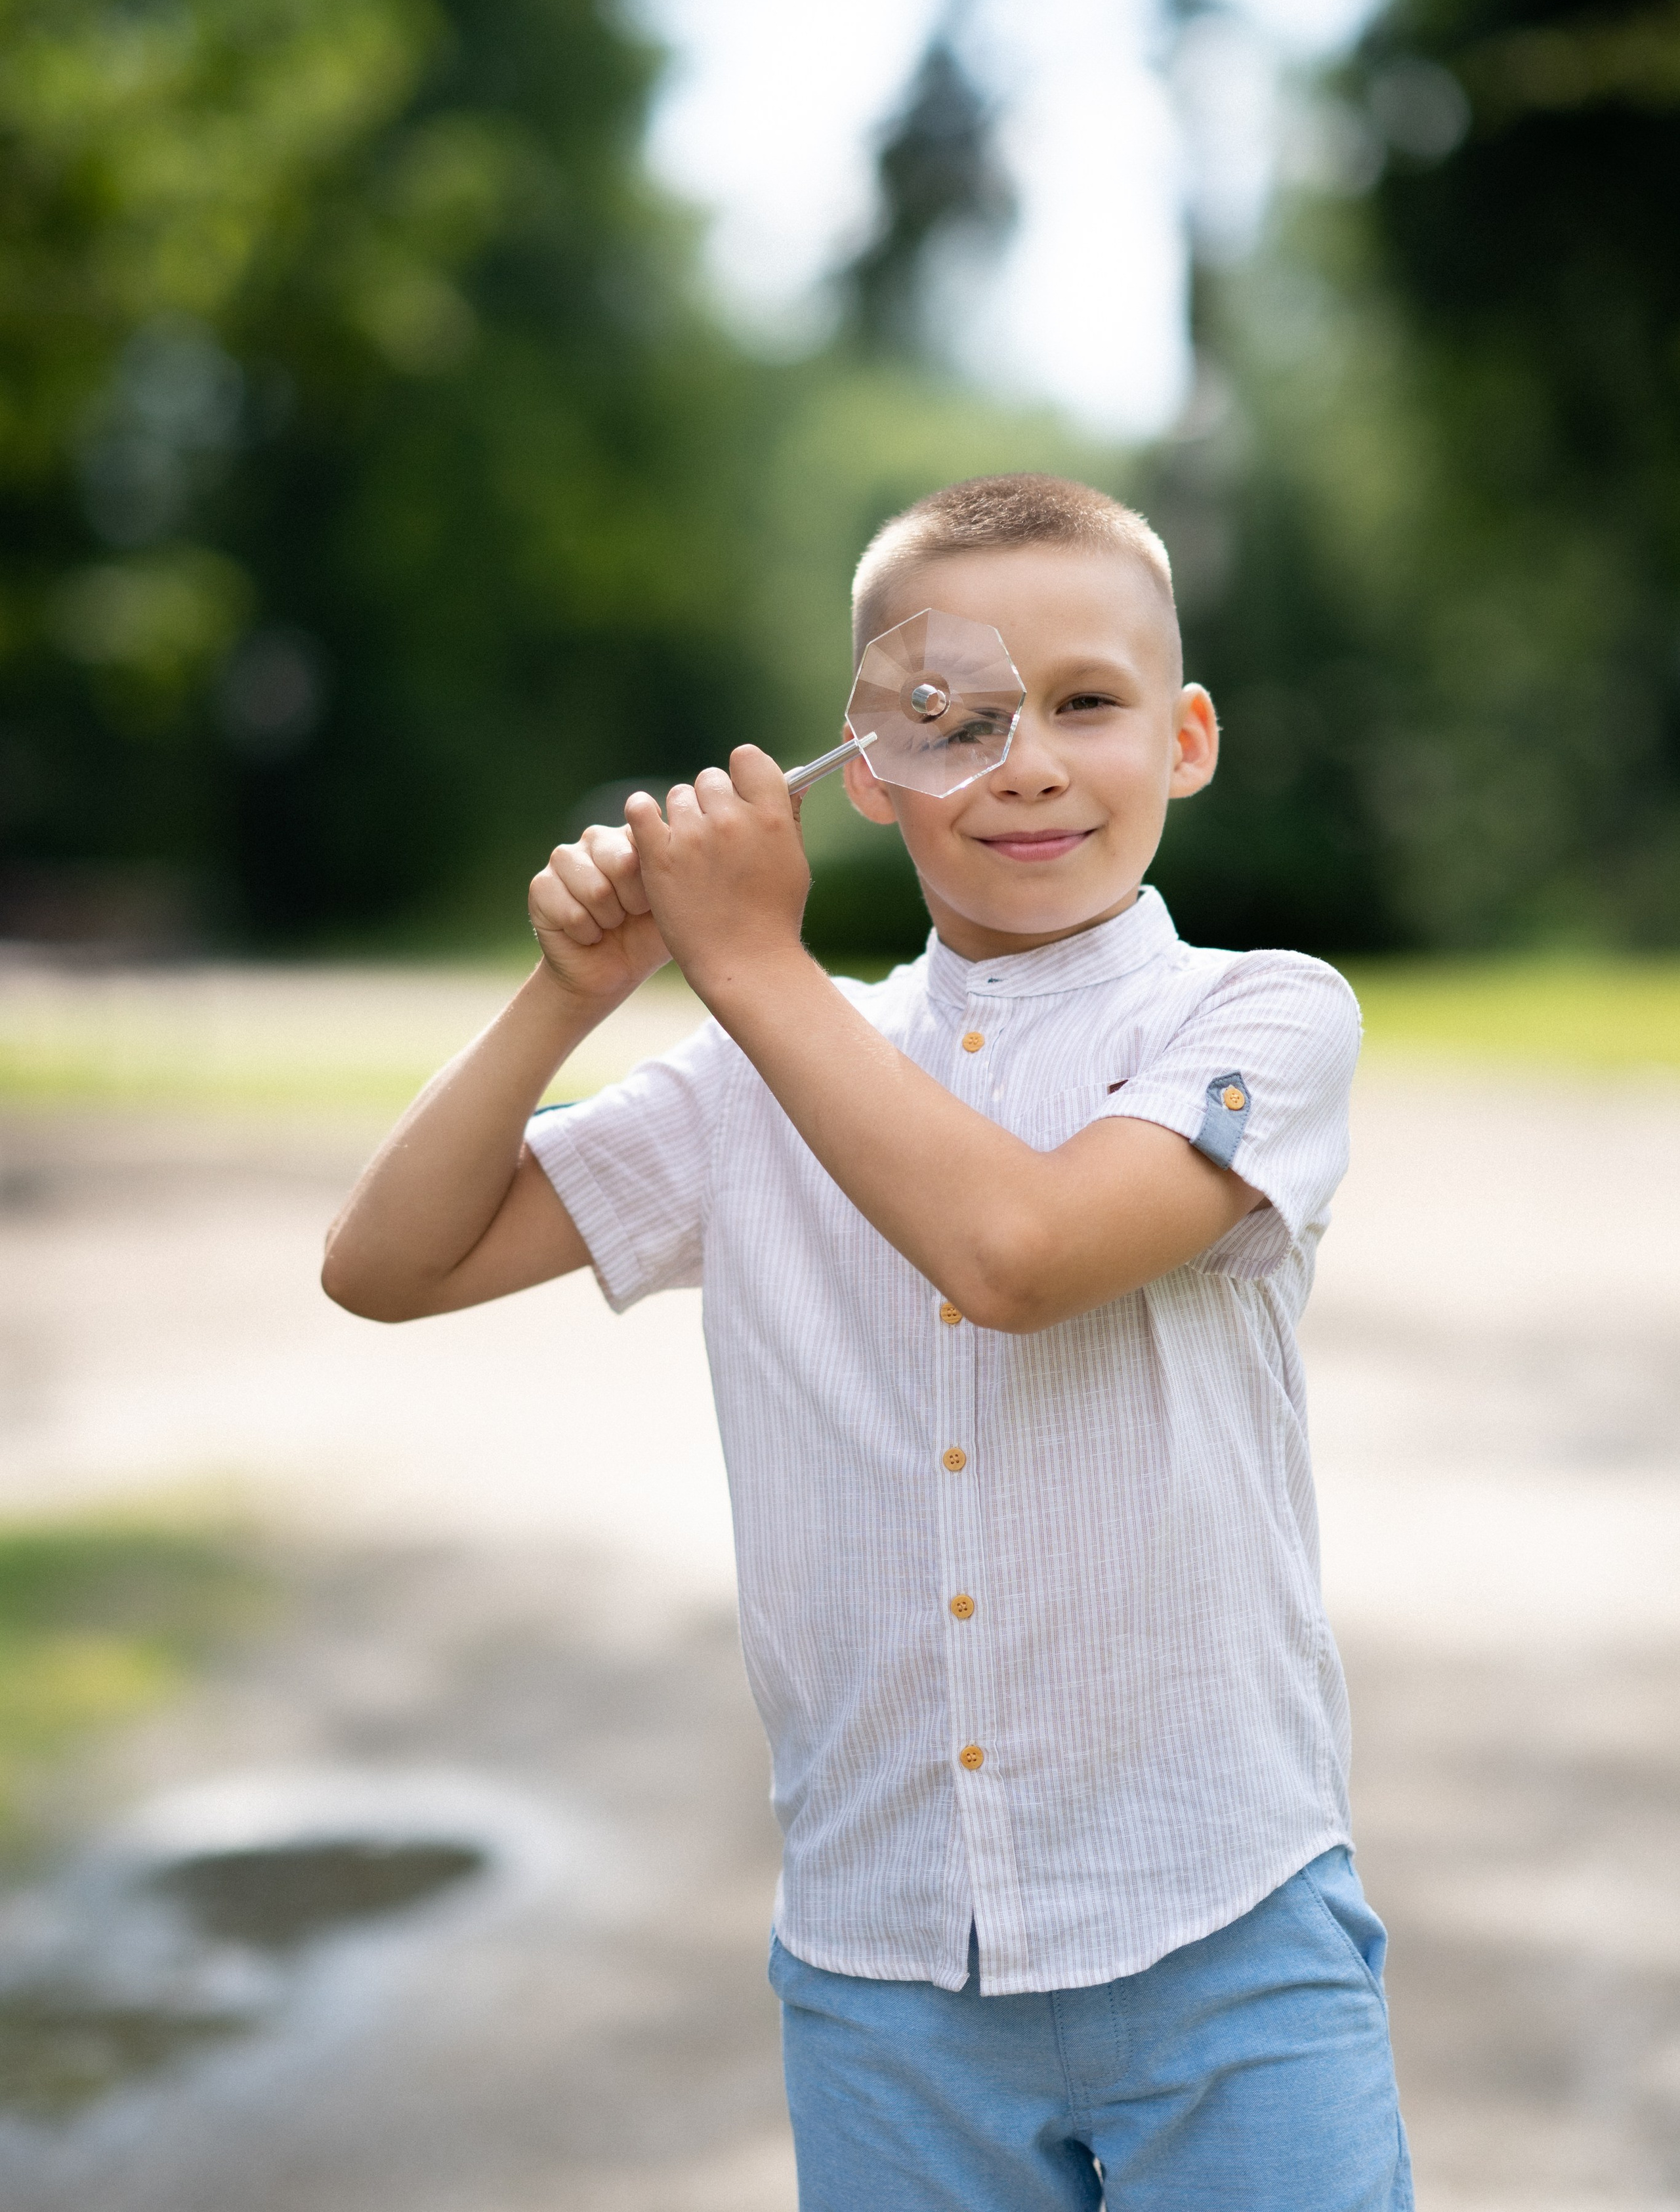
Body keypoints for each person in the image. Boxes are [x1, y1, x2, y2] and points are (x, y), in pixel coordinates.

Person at [323, 473, 1411, 2211]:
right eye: (957, 718)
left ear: (1187, 737)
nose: (1029, 761)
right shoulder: (763, 1073)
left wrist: (751, 961)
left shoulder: (1260, 1017)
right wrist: (574, 996)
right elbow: (386, 1262)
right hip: (881, 1965)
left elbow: (1023, 1254)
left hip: (1223, 1932)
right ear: (873, 757)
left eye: (1086, 705)